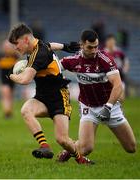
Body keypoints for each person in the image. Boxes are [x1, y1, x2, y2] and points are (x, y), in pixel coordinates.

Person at [8, 23, 93, 164]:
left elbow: (25, 79)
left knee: (62, 140)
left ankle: (81, 159)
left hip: (59, 98)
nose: (15, 47)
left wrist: (11, 76)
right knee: (26, 110)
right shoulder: (39, 46)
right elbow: (50, 45)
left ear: (26, 40)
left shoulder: (39, 54)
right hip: (42, 97)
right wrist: (65, 46)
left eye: (16, 43)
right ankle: (45, 146)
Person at [57, 30, 136, 162]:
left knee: (131, 148)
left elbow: (118, 85)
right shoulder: (74, 60)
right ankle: (70, 150)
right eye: (90, 47)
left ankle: (70, 148)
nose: (94, 50)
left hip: (110, 106)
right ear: (81, 45)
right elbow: (53, 67)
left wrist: (108, 107)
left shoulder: (105, 60)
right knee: (86, 148)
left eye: (96, 46)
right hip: (88, 107)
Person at [0, 40, 20, 118]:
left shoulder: (15, 55)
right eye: (5, 46)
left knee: (10, 95)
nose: (7, 48)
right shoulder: (0, 56)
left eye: (8, 46)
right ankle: (6, 111)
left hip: (12, 78)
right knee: (6, 93)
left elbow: (18, 65)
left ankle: (9, 112)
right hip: (3, 78)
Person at [104, 34, 130, 101]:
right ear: (106, 42)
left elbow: (126, 61)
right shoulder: (103, 52)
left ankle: (118, 110)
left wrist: (125, 70)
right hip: (107, 77)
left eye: (112, 41)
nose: (111, 43)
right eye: (109, 41)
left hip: (119, 76)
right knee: (108, 97)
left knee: (121, 98)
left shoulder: (119, 52)